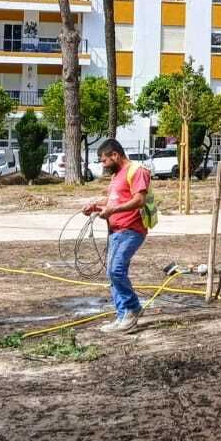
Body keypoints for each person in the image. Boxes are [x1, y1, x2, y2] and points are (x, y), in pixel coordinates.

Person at [82, 138, 154, 334]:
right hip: (115, 232)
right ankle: (122, 316)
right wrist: (96, 206)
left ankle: (133, 309)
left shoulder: (136, 171)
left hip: (131, 230)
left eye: (104, 161)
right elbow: (114, 199)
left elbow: (139, 200)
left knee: (116, 270)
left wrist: (113, 210)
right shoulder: (116, 175)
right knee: (112, 274)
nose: (103, 165)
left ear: (115, 155)